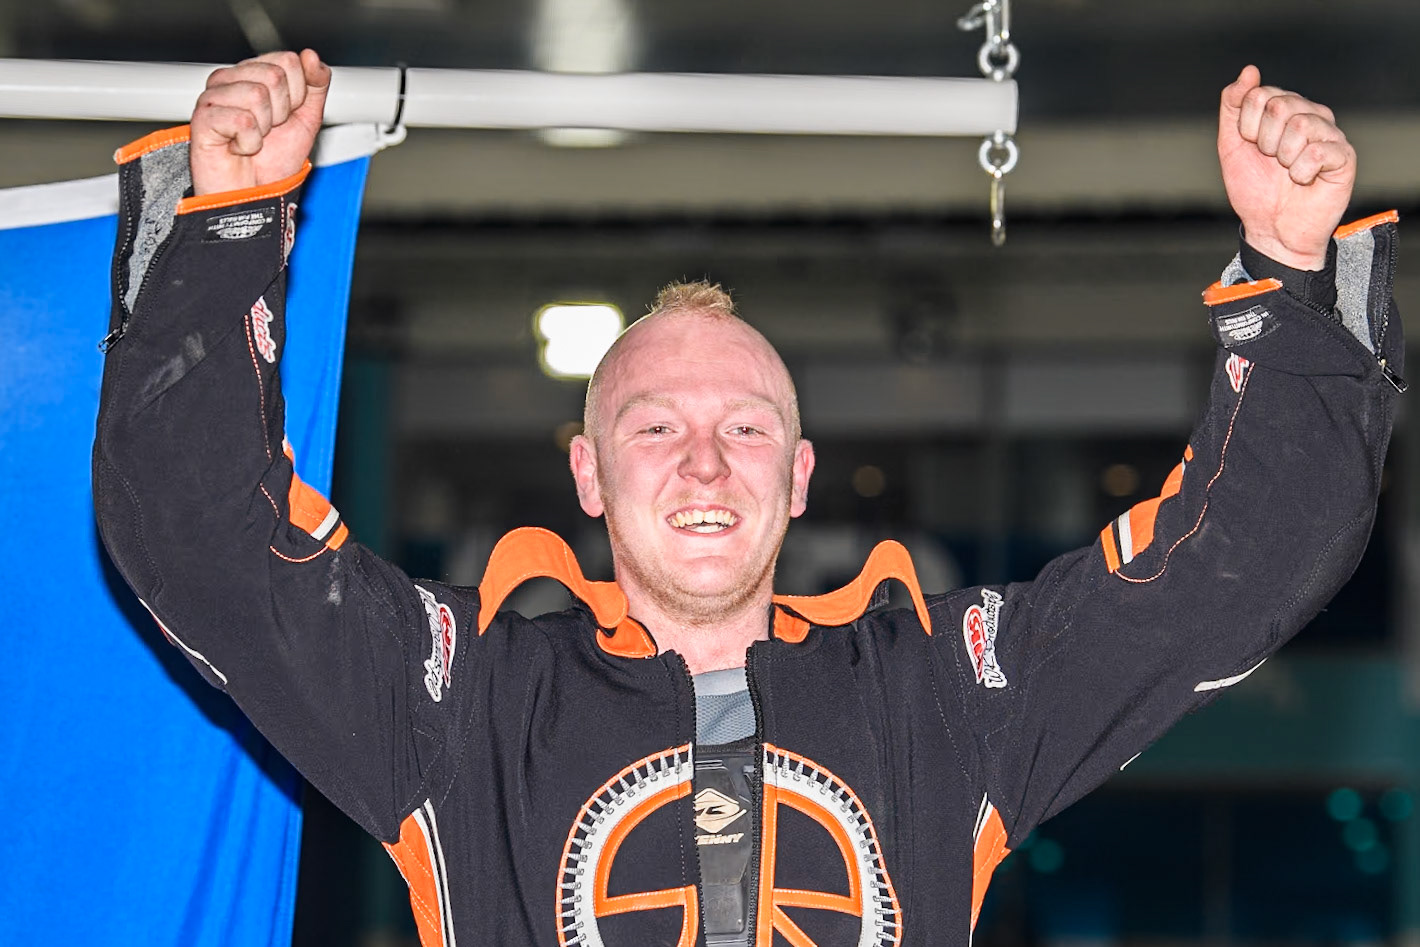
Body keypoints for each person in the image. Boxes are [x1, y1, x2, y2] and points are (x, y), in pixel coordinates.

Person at [93, 48, 1402, 947]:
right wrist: (228, 223)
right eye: (655, 427)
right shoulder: (467, 704)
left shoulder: (943, 698)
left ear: (801, 476)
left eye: (747, 427)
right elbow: (199, 542)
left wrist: (1287, 272)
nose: (707, 463)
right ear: (589, 476)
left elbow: (1239, 568)